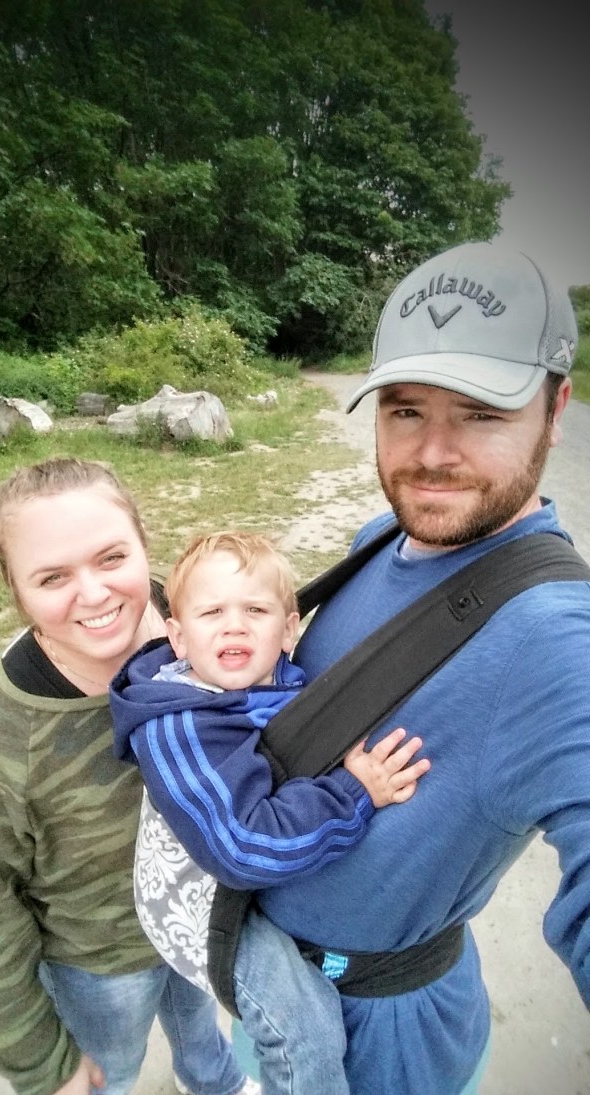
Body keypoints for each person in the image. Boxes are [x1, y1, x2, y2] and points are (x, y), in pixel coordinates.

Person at [249, 240, 590, 1095]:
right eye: (405, 409)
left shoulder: (556, 638)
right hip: (273, 990)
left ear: (556, 408)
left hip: (385, 1042)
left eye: (481, 412)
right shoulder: (381, 537)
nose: (433, 453)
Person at [110, 530, 431, 1094]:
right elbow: (243, 846)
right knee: (305, 1027)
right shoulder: (175, 727)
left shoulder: (274, 681)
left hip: (238, 875)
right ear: (178, 638)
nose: (234, 626)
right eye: (212, 612)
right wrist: (354, 793)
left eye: (255, 610)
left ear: (288, 631)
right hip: (199, 909)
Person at [0, 458, 258, 1095]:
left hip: (202, 921)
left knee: (200, 1026)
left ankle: (214, 1080)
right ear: (15, 591)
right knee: (112, 1071)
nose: (95, 594)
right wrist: (43, 1066)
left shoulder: (200, 626)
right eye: (52, 577)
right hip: (101, 966)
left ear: (143, 544)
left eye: (111, 558)